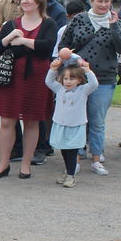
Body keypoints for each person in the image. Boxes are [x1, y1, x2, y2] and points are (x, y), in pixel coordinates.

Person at [57, 0, 121, 175]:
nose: (104, 5)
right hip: (79, 77)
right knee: (79, 119)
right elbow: (64, 45)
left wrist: (114, 26)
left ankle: (97, 158)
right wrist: (73, 59)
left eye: (107, 2)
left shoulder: (116, 22)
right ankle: (77, 156)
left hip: (104, 77)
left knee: (97, 120)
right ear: (92, 1)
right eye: (100, 1)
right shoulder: (79, 19)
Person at [0, 0, 58, 179]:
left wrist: (24, 42)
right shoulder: (12, 24)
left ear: (39, 1)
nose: (26, 1)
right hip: (11, 77)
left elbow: (47, 47)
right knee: (6, 121)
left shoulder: (48, 24)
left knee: (31, 121)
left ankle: (26, 164)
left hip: (36, 78)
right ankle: (3, 164)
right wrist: (9, 37)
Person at [46, 57, 99, 187]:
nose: (68, 82)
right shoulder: (60, 89)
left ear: (79, 80)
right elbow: (48, 81)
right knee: (64, 150)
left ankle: (71, 175)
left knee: (72, 151)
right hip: (61, 124)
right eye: (66, 79)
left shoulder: (83, 90)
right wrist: (53, 69)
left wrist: (87, 70)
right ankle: (67, 172)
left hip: (75, 126)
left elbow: (94, 84)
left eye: (72, 79)